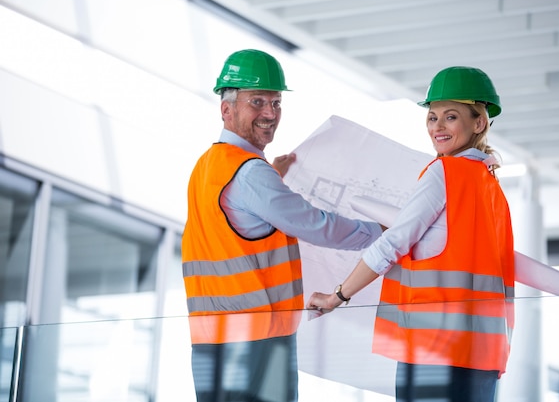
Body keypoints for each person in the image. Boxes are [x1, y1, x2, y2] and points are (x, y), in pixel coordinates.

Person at [181, 49, 383, 402]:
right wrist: (382, 234)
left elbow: (234, 227)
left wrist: (270, 175)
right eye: (257, 101)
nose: (270, 113)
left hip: (211, 339)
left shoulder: (208, 166)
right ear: (226, 109)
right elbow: (317, 226)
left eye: (276, 102)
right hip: (256, 339)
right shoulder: (250, 173)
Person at [307, 66, 515, 402]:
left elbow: (392, 244)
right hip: (482, 355)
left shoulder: (445, 173)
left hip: (432, 348)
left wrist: (338, 296)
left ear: (479, 123)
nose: (437, 127)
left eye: (450, 117)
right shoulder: (491, 188)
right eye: (432, 117)